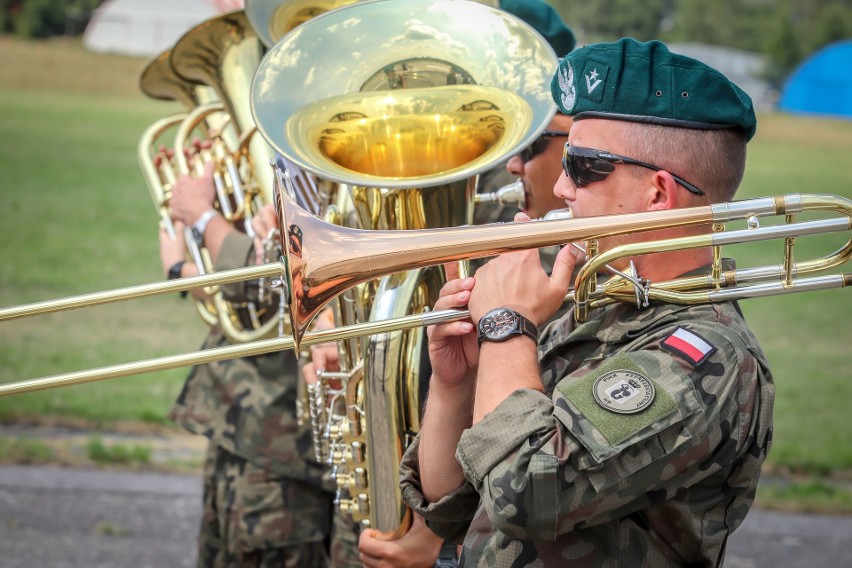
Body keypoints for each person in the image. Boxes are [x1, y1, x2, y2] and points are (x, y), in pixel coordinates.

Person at [400, 38, 775, 566]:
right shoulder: (595, 306)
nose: (561, 186)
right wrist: (454, 383)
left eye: (581, 166)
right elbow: (451, 508)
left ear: (659, 194)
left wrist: (509, 326)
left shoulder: (707, 355)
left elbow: (522, 493)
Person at [159, 161, 336, 568]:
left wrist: (205, 222)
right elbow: (258, 278)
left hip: (285, 438)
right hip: (240, 418)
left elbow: (288, 281)